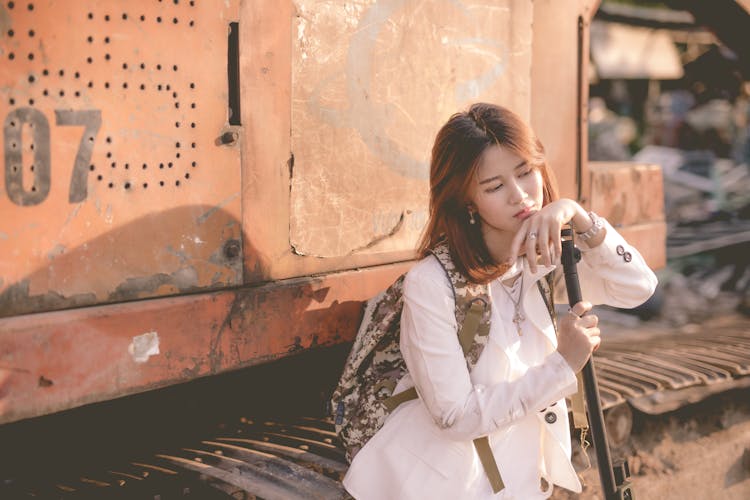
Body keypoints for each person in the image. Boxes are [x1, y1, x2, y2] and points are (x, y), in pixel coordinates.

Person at [342, 103, 658, 499]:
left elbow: (639, 287)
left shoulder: (541, 262)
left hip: (517, 477)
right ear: (467, 202)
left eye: (526, 173)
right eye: (494, 186)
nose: (521, 196)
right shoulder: (432, 283)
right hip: (442, 483)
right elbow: (455, 416)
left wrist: (577, 216)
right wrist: (562, 365)